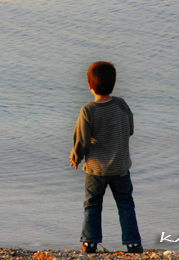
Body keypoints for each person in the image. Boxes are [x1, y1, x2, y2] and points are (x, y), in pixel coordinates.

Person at [69, 61, 143, 254]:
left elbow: (82, 141)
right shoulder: (121, 104)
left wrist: (75, 157)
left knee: (92, 206)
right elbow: (130, 129)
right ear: (113, 83)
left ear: (89, 85)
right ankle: (133, 243)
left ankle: (90, 243)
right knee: (126, 205)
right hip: (120, 168)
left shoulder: (88, 110)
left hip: (95, 170)